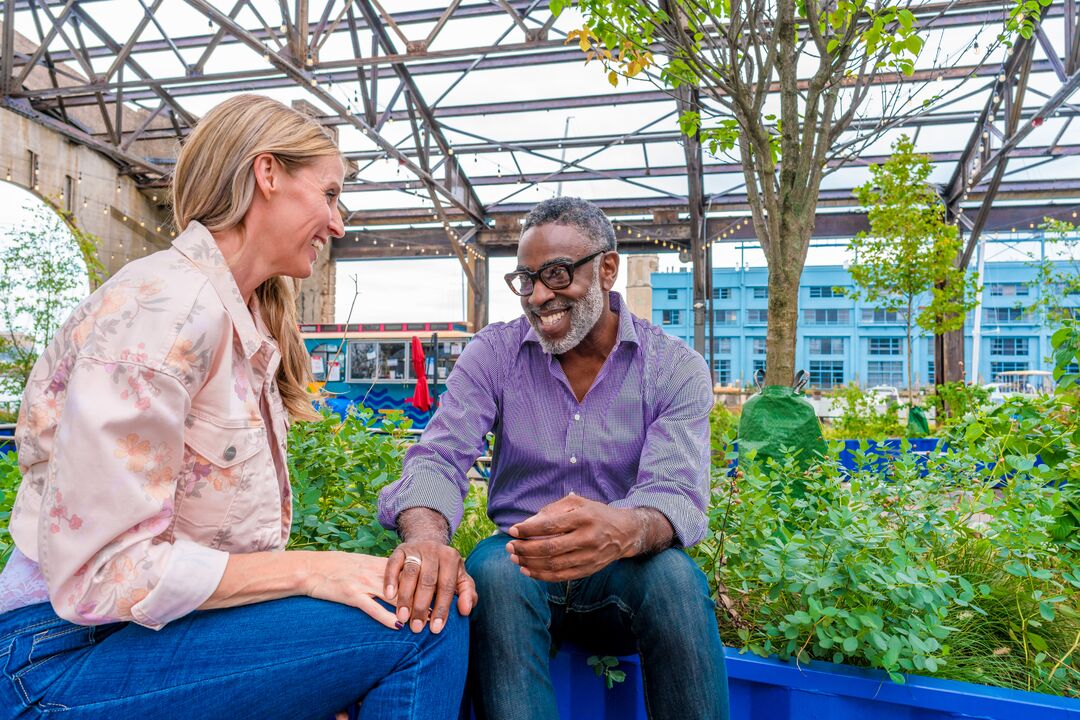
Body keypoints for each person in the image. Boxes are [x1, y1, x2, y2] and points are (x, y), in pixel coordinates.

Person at [0, 94, 471, 720]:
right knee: (420, 627)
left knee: (412, 607)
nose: (339, 225)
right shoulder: (163, 311)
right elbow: (101, 576)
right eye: (330, 195)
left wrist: (299, 662)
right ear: (267, 174)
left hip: (134, 640)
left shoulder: (236, 318)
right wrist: (311, 572)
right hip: (55, 659)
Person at [378, 197, 729, 720]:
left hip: (624, 568)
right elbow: (439, 456)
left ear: (607, 268)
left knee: (675, 579)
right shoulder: (494, 354)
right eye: (526, 279)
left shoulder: (673, 367)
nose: (540, 296)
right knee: (492, 571)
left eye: (558, 274)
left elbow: (675, 492)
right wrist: (426, 540)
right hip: (520, 565)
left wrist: (624, 529)